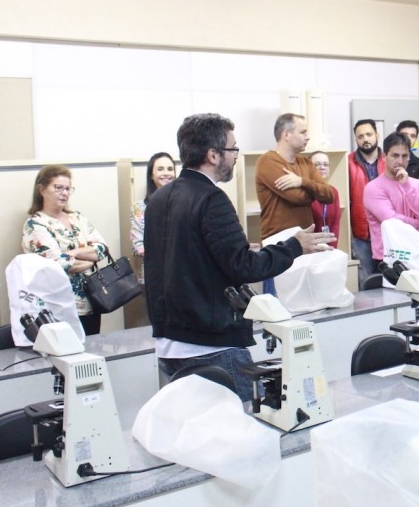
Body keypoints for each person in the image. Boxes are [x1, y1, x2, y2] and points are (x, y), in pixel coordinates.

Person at [144, 113, 334, 402]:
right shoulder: (211, 198)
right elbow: (244, 267)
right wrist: (294, 246)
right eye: (232, 149)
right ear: (213, 155)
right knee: (243, 423)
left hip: (169, 344)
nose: (236, 156)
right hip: (211, 347)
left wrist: (241, 250)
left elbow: (188, 259)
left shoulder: (159, 200)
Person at [23, 164, 108, 335]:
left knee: (92, 347)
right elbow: (58, 264)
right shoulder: (36, 224)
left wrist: (73, 253)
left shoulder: (77, 217)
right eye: (58, 188)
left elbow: (102, 249)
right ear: (42, 190)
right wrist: (89, 260)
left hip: (92, 302)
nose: (64, 193)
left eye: (68, 189)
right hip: (60, 307)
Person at [255, 113, 333, 241]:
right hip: (278, 242)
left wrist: (302, 182)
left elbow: (329, 195)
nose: (308, 137)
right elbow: (297, 197)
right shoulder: (267, 161)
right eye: (303, 132)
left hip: (306, 240)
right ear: (287, 135)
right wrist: (315, 193)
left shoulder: (306, 163)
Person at [363, 132, 419, 263]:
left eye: (404, 156)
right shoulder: (373, 188)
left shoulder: (418, 184)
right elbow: (392, 221)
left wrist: (407, 186)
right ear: (384, 156)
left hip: (416, 253)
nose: (400, 161)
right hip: (388, 258)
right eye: (395, 156)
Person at [129, 151, 176, 284]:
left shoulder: (185, 203)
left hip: (182, 275)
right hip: (153, 275)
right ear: (151, 175)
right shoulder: (139, 208)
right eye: (160, 169)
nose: (166, 173)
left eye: (170, 169)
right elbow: (137, 246)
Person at [348, 119, 385, 284]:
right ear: (356, 139)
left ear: (377, 135)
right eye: (360, 136)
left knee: (390, 280)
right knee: (366, 282)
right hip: (361, 235)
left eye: (369, 134)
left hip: (386, 233)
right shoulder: (347, 163)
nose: (365, 139)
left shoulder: (389, 161)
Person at [310, 151, 342, 249]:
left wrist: (331, 248)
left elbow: (336, 224)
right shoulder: (305, 192)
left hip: (329, 247)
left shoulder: (333, 191)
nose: (322, 167)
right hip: (310, 248)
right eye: (317, 164)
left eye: (325, 164)